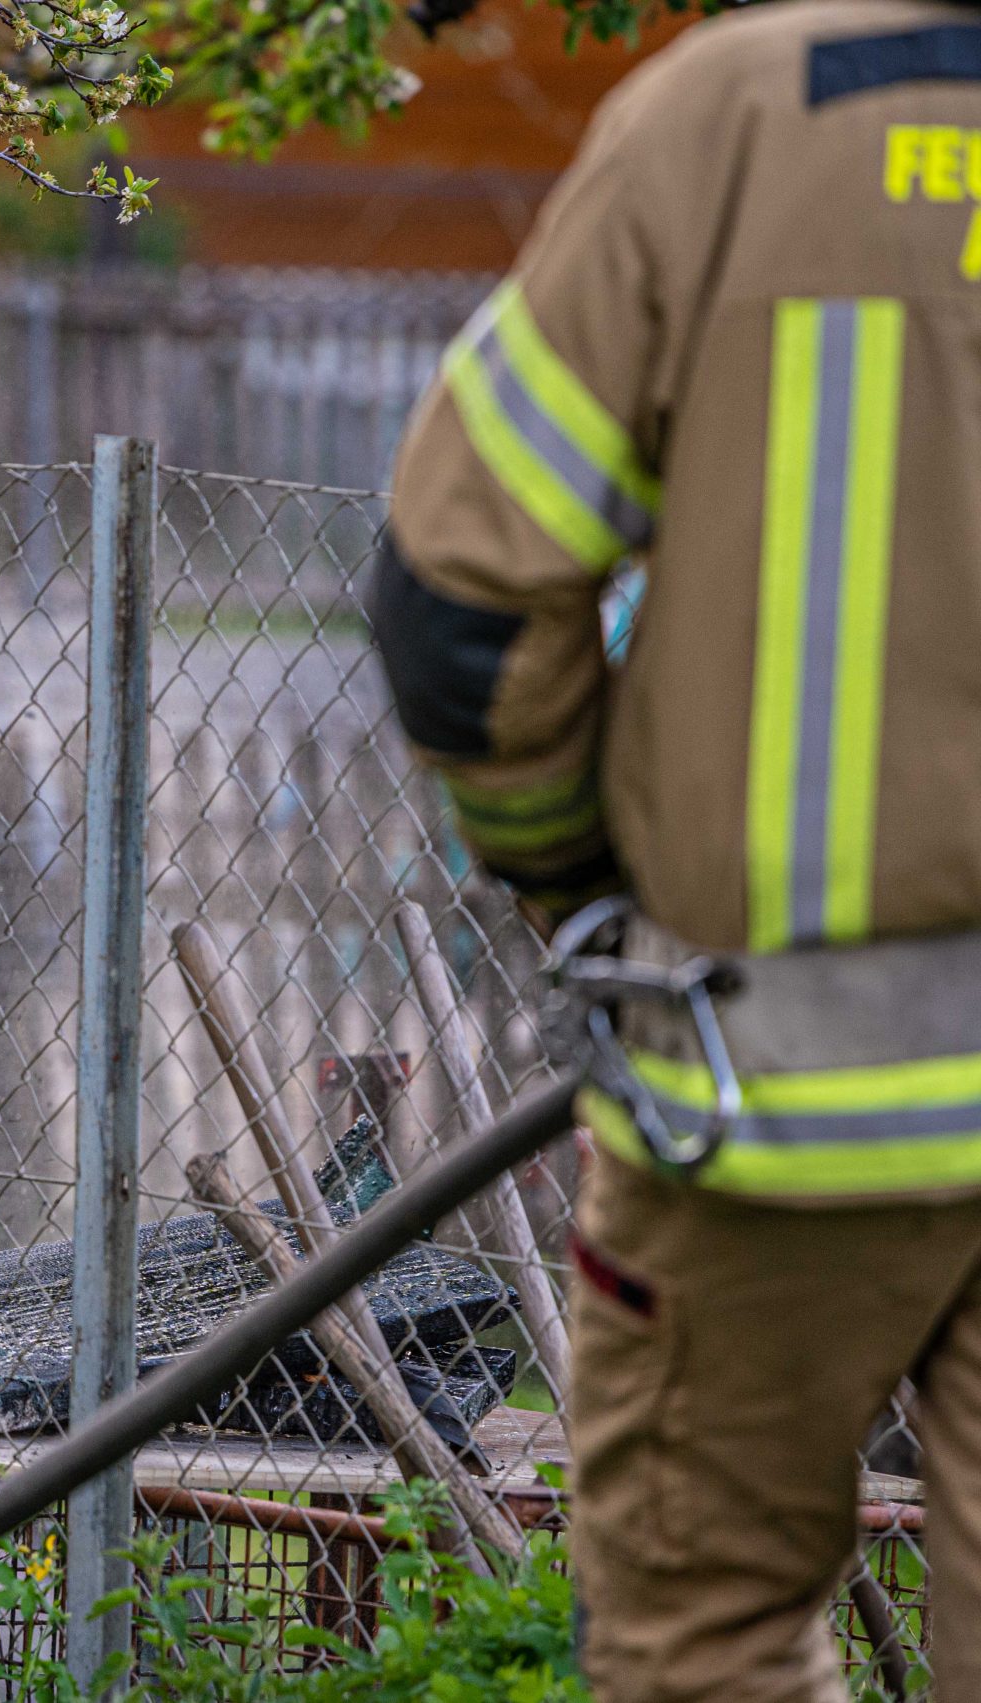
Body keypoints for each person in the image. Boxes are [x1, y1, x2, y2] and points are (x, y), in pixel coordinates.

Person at [373, 1, 981, 1693]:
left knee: (701, 1638)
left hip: (762, 1103)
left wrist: (582, 888)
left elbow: (459, 608)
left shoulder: (730, 120)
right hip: (753, 1087)